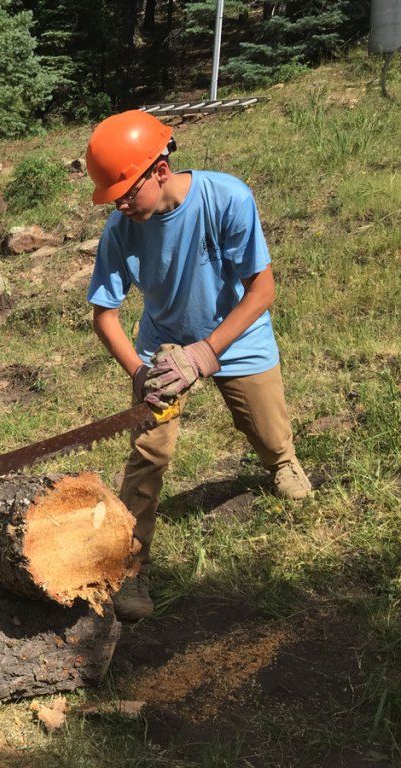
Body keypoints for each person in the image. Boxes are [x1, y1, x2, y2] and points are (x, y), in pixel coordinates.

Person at [84, 110, 312, 622]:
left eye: (126, 190)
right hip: (163, 348)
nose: (119, 203)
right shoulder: (122, 229)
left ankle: (282, 463)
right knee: (148, 455)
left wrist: (207, 354)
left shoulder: (226, 198)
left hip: (238, 335)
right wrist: (141, 375)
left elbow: (262, 291)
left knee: (269, 429)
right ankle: (130, 568)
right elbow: (106, 315)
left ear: (160, 170)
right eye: (112, 195)